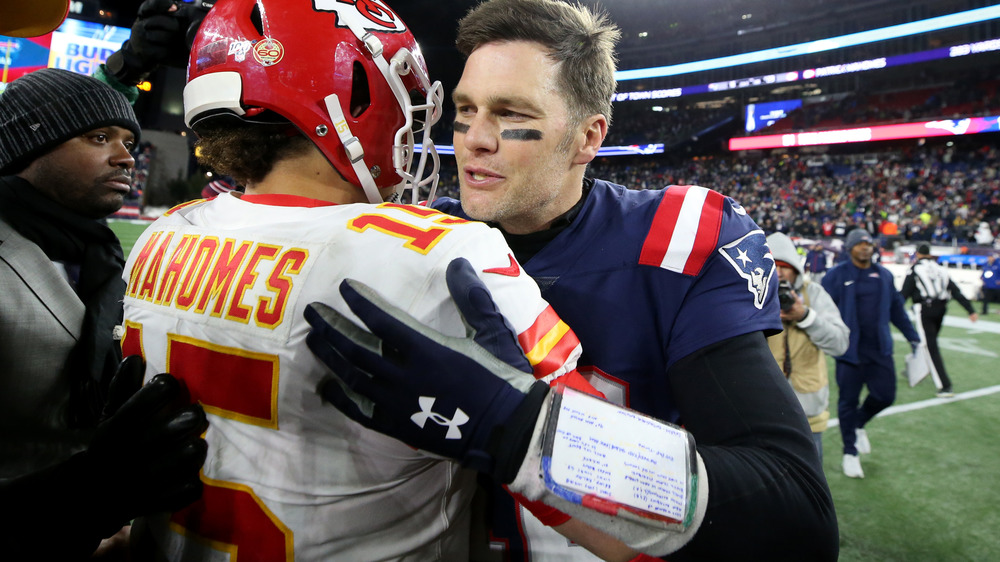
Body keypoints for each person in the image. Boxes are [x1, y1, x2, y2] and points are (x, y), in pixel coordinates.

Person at [307, 0, 838, 560]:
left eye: (512, 114)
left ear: (588, 138)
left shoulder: (677, 242)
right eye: (466, 109)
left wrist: (517, 428)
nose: (472, 139)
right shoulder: (421, 237)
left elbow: (796, 521)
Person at [119, 1, 584, 559]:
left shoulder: (163, 235)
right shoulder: (447, 252)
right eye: (403, 99)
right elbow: (596, 479)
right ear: (351, 104)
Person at [0, 68, 207, 558]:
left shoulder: (101, 255)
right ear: (30, 146)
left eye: (128, 140)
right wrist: (83, 496)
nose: (125, 156)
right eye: (99, 137)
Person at [822, 228, 921, 479]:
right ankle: (849, 452)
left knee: (886, 395)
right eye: (860, 244)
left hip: (879, 349)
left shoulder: (884, 275)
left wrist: (912, 337)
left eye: (869, 243)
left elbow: (897, 309)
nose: (866, 247)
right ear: (850, 248)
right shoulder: (835, 276)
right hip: (849, 352)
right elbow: (823, 309)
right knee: (847, 403)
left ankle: (859, 423)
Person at [766, 233, 850, 463]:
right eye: (772, 265)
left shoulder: (813, 294)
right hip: (762, 411)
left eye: (785, 266)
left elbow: (840, 344)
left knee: (810, 490)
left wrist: (805, 316)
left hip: (808, 413)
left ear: (796, 268)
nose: (780, 273)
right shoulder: (752, 297)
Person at [900, 244, 978, 397]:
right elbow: (955, 290)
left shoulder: (915, 269)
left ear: (917, 254)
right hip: (941, 309)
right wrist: (970, 310)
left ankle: (945, 385)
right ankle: (916, 370)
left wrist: (893, 311)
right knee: (928, 342)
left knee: (930, 346)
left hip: (925, 309)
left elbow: (904, 293)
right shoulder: (941, 269)